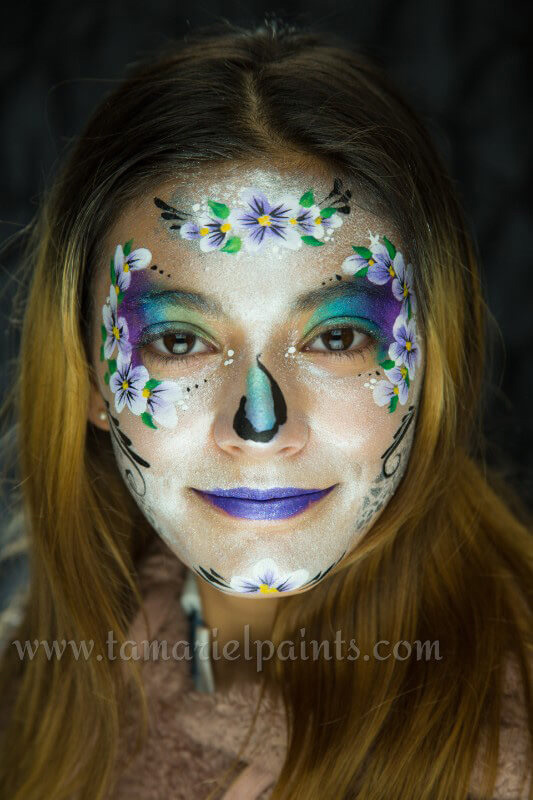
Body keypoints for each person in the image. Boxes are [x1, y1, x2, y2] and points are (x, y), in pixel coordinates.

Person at [0, 19, 531, 800]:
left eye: (338, 334)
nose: (258, 422)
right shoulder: (38, 680)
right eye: (179, 340)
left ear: (430, 361)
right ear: (89, 377)